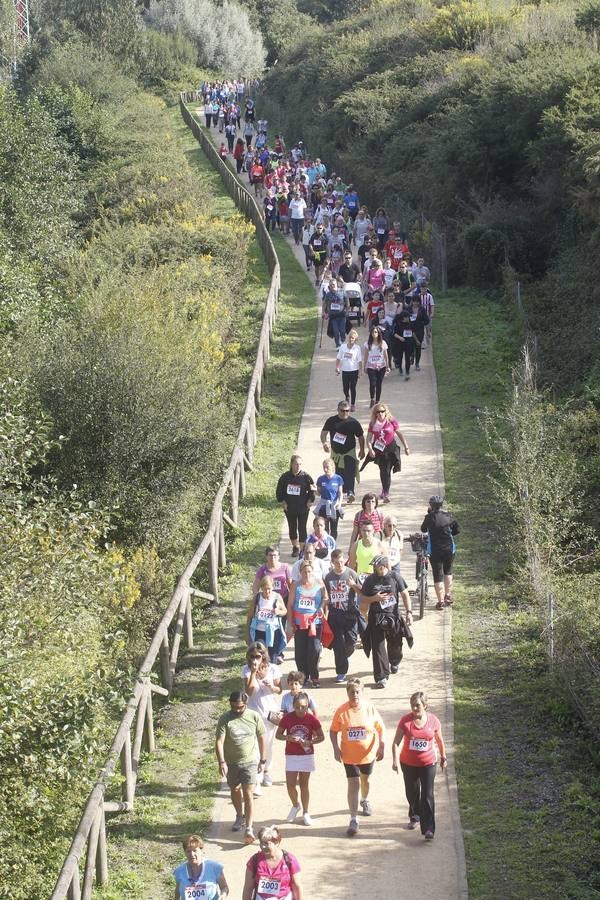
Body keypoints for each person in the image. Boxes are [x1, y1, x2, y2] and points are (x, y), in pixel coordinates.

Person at [330, 679, 385, 836]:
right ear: (347, 693)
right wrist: (335, 748)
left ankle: (365, 799)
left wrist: (382, 745)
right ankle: (353, 819)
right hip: (349, 755)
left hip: (368, 754)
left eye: (357, 691)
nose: (354, 695)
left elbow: (380, 728)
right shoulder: (341, 711)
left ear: (362, 692)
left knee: (365, 780)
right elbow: (333, 731)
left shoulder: (369, 709)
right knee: (353, 783)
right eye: (351, 692)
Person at [392, 691, 447, 840]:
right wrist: (395, 760)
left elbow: (440, 741)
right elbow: (396, 743)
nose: (414, 709)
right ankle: (415, 816)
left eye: (417, 705)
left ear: (425, 705)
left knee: (427, 795)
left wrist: (443, 757)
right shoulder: (405, 721)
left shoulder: (434, 721)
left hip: (428, 763)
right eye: (412, 706)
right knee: (412, 792)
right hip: (408, 763)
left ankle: (429, 828)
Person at [215, 691, 266, 844]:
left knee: (248, 793)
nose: (237, 710)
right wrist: (221, 762)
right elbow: (219, 742)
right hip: (231, 763)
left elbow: (262, 737)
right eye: (234, 707)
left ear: (246, 703)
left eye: (240, 707)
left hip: (250, 761)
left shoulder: (254, 716)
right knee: (235, 789)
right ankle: (239, 815)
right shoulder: (225, 719)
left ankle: (249, 827)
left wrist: (262, 759)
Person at [357, 555, 412, 687]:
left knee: (396, 644)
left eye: (378, 566)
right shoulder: (370, 580)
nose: (376, 569)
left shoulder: (395, 577)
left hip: (393, 616)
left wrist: (409, 612)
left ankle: (394, 661)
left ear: (384, 566)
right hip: (376, 617)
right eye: (375, 567)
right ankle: (381, 676)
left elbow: (405, 594)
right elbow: (364, 598)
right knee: (378, 647)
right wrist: (374, 598)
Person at [276, 692, 325, 825]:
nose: (300, 710)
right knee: (290, 785)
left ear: (307, 705)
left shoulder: (312, 719)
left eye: (303, 707)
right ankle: (295, 805)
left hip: (306, 755)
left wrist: (310, 742)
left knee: (304, 785)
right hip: (291, 754)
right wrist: (288, 737)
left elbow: (321, 737)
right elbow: (278, 735)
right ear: (293, 706)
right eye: (297, 707)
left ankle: (306, 812)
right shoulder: (287, 719)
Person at [242, 643, 282, 794]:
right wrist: (253, 673)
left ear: (263, 656)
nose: (255, 659)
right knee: (254, 749)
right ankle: (256, 780)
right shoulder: (245, 670)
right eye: (252, 657)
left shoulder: (273, 669)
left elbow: (280, 690)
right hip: (252, 715)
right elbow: (249, 692)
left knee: (268, 746)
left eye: (257, 656)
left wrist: (271, 687)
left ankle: (266, 772)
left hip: (269, 714)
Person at [287, 560, 328, 687]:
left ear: (313, 571)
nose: (307, 574)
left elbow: (326, 598)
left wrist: (321, 606)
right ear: (300, 572)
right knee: (300, 652)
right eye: (304, 571)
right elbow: (290, 605)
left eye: (309, 571)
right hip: (300, 623)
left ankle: (315, 676)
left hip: (315, 622)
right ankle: (303, 677)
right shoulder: (296, 585)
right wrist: (290, 622)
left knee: (314, 650)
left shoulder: (319, 583)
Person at [324, 549, 361, 683]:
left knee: (351, 641)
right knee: (338, 643)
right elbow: (326, 596)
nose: (339, 565)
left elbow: (361, 591)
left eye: (341, 562)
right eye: (336, 563)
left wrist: (353, 585)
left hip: (350, 613)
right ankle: (341, 671)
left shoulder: (351, 573)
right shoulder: (328, 577)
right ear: (332, 563)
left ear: (344, 559)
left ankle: (344, 657)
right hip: (335, 614)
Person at [320, 400, 365, 503]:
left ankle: (350, 493)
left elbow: (361, 437)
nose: (345, 413)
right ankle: (336, 493)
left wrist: (362, 450)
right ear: (338, 410)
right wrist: (324, 443)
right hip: (336, 453)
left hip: (349, 452)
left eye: (347, 411)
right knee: (336, 474)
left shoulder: (353, 422)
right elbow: (323, 433)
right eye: (342, 410)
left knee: (350, 472)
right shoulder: (331, 421)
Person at [242, 825, 302, 900]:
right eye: (261, 843)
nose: (263, 847)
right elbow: (248, 887)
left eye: (267, 843)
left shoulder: (289, 860)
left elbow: (297, 886)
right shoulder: (254, 861)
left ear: (277, 842)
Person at [366, 403, 410, 503]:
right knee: (384, 471)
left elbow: (399, 434)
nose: (380, 413)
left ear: (386, 412)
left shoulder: (391, 421)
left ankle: (385, 492)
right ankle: (385, 491)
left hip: (391, 449)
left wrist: (406, 447)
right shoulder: (373, 423)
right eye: (378, 412)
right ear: (375, 414)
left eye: (382, 411)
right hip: (380, 451)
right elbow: (368, 439)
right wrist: (370, 449)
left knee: (387, 471)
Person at [421, 495, 459, 608]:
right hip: (449, 549)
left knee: (438, 575)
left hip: (435, 551)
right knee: (448, 571)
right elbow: (456, 530)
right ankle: (448, 595)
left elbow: (423, 529)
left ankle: (440, 602)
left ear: (431, 506)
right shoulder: (448, 516)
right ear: (441, 505)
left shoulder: (429, 517)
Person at [276, 455, 315, 557]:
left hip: (302, 507)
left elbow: (312, 490)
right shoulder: (285, 477)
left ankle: (302, 550)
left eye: (300, 464)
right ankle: (295, 547)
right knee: (292, 528)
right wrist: (283, 502)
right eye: (296, 464)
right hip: (290, 507)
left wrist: (310, 501)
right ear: (291, 464)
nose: (298, 466)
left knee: (302, 528)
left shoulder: (306, 477)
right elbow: (279, 491)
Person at [173, 834, 229, 899]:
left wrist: (223, 895)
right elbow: (177, 892)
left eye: (195, 850)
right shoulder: (179, 871)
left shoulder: (214, 867)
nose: (192, 854)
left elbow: (224, 887)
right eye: (188, 851)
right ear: (185, 853)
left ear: (201, 850)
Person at [246, 576, 287, 662]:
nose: (267, 591)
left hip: (274, 632)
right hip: (259, 631)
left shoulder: (277, 597)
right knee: (259, 654)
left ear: (272, 587)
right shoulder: (257, 598)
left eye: (269, 588)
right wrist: (247, 634)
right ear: (261, 588)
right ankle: (260, 673)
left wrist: (278, 611)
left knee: (272, 657)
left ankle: (271, 673)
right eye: (264, 589)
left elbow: (285, 611)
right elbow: (249, 616)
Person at [347, 521, 384, 590]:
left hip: (377, 580)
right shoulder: (356, 545)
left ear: (373, 531)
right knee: (362, 600)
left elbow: (386, 564)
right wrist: (351, 582)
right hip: (361, 582)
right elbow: (351, 565)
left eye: (369, 531)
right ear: (360, 531)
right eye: (364, 530)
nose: (366, 533)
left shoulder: (379, 544)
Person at [314, 458, 344, 539]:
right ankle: (325, 547)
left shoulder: (338, 478)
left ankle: (333, 546)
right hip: (324, 507)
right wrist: (313, 490)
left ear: (333, 467)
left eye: (327, 467)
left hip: (334, 507)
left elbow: (340, 493)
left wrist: (339, 504)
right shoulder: (321, 479)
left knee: (334, 529)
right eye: (324, 467)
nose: (325, 469)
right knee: (325, 529)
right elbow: (319, 493)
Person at [363, 326, 390, 409]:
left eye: (376, 332)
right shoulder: (367, 343)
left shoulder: (383, 343)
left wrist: (387, 366)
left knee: (379, 384)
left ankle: (377, 401)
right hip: (371, 366)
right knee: (372, 383)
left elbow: (386, 355)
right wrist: (365, 366)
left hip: (381, 366)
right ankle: (372, 398)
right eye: (373, 332)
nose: (374, 333)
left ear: (379, 333)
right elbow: (366, 355)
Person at [335, 329, 362, 412]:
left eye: (353, 338)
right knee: (345, 388)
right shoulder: (343, 347)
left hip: (354, 370)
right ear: (348, 338)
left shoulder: (357, 348)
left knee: (353, 387)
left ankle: (353, 404)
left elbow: (360, 361)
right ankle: (347, 397)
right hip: (345, 370)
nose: (351, 339)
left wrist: (360, 371)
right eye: (350, 337)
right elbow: (338, 358)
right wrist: (337, 367)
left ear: (355, 339)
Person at [322, 277, 348, 348]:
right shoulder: (328, 294)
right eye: (331, 285)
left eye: (333, 284)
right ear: (329, 286)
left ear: (336, 284)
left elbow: (347, 302)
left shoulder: (342, 292)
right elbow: (324, 304)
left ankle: (342, 341)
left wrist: (347, 310)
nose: (332, 286)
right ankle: (338, 345)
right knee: (336, 332)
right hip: (333, 316)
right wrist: (323, 313)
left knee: (342, 331)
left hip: (342, 315)